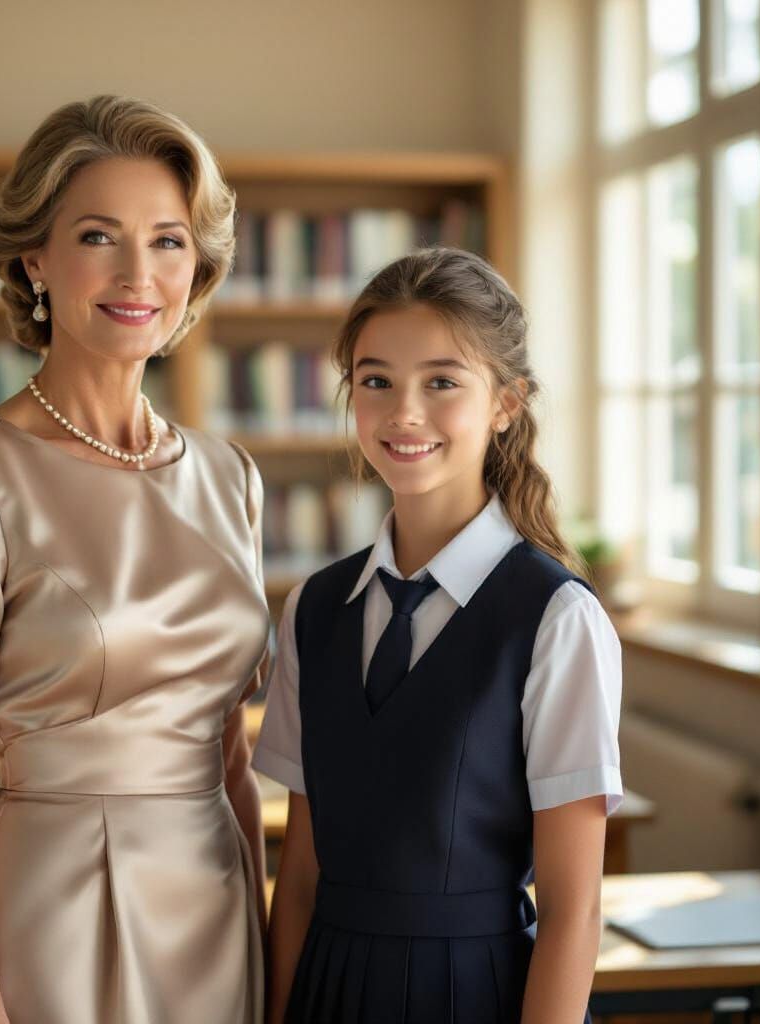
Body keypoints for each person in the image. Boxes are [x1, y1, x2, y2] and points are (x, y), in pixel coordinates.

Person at [0, 95, 269, 1024]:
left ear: (197, 266)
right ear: (35, 260)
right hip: (51, 923)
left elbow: (232, 762)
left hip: (216, 921)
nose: (138, 273)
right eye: (99, 236)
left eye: (168, 241)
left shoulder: (230, 477)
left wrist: (264, 960)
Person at [253, 247, 623, 1023]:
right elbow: (302, 879)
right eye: (375, 381)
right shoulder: (314, 609)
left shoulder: (556, 618)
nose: (404, 413)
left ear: (506, 403)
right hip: (328, 993)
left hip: (478, 995)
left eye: (442, 382)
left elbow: (574, 912)